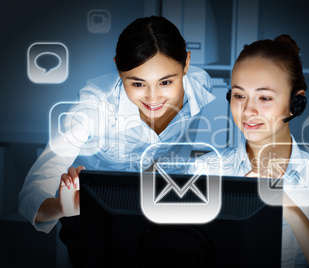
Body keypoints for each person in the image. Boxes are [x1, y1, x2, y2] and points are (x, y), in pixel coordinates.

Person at [18, 15, 215, 264]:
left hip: (164, 213)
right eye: (138, 83)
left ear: (186, 64)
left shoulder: (200, 85)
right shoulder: (92, 107)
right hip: (97, 220)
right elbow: (32, 192)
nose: (153, 98)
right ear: (119, 69)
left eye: (166, 82)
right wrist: (62, 208)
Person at [191, 35, 309, 267]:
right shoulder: (203, 171)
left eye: (264, 97)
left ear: (295, 103)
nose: (248, 110)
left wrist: (288, 206)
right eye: (239, 96)